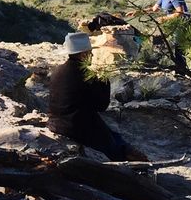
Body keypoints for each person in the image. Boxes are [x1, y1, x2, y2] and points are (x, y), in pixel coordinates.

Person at [47, 33, 147, 161]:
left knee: (112, 135)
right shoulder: (87, 75)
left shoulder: (57, 70)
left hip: (55, 122)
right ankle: (131, 163)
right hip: (75, 126)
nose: (92, 55)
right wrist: (104, 82)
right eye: (89, 53)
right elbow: (101, 106)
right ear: (83, 54)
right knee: (112, 143)